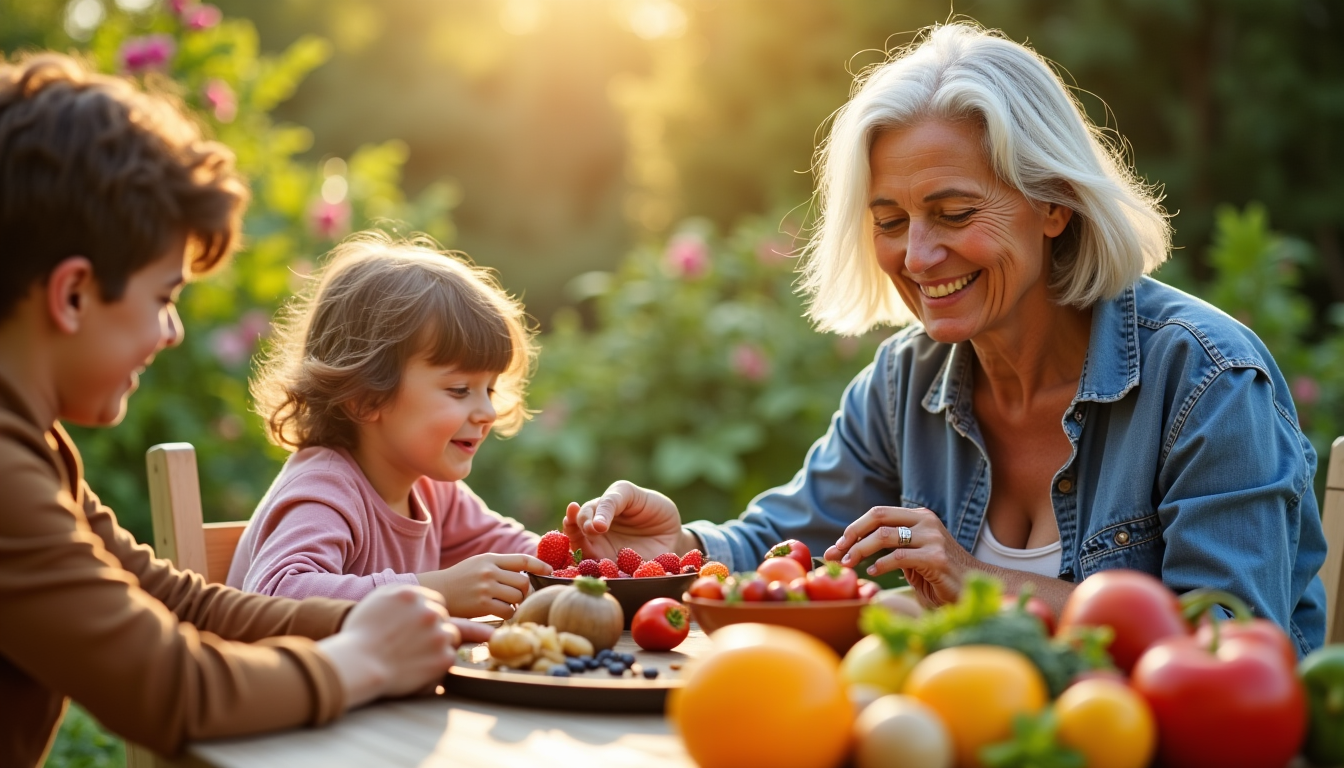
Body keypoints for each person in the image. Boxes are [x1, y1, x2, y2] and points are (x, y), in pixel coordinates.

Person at [563, 22, 1328, 655]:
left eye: (955, 214)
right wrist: (679, 547)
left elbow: (1231, 645)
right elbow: (783, 542)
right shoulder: (907, 379)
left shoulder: (1206, 379)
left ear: (1053, 203)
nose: (918, 256)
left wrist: (982, 585)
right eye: (890, 221)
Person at [0, 54, 487, 768]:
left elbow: (183, 604)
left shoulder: (34, 447)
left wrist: (368, 622)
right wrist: (362, 660)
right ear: (72, 294)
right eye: (164, 297)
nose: (172, 332)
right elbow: (168, 686)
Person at [227, 234, 552, 619]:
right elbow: (274, 595)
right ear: (366, 397)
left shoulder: (433, 491)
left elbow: (524, 557)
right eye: (460, 389)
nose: (487, 412)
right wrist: (438, 591)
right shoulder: (324, 490)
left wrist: (587, 547)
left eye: (490, 389)